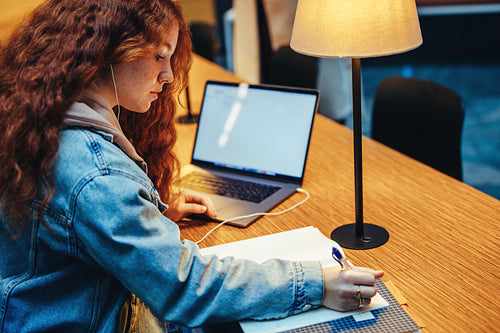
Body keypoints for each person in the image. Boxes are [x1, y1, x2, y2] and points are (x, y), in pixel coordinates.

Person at [0, 0, 384, 332]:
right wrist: (318, 284)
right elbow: (186, 287)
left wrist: (151, 215)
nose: (167, 78)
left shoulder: (39, 113)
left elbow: (78, 225)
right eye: (158, 56)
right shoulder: (97, 174)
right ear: (110, 50)